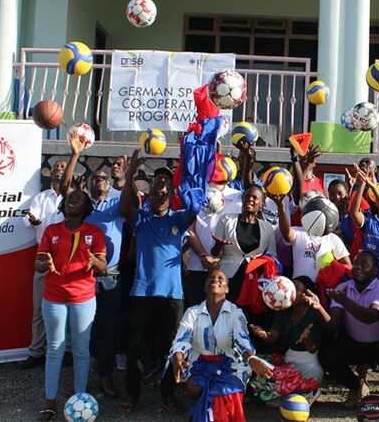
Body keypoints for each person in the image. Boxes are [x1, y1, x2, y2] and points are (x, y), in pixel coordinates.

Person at [118, 150, 198, 416]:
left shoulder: (178, 218)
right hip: (142, 293)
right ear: (148, 196)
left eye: (164, 194)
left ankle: (167, 394)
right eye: (154, 193)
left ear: (171, 196)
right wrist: (131, 173)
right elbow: (123, 208)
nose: (159, 196)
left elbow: (194, 211)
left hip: (172, 295)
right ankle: (132, 395)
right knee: (135, 348)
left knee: (170, 348)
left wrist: (187, 171)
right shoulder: (141, 218)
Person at [59, 131, 127, 398]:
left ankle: (105, 376)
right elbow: (66, 189)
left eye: (104, 178)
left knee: (108, 329)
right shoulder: (84, 205)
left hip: (110, 277)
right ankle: (80, 378)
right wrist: (75, 154)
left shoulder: (117, 203)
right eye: (95, 178)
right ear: (88, 184)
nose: (100, 180)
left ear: (109, 183)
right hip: (82, 276)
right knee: (81, 329)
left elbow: (130, 194)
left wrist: (125, 176)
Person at [34, 189, 107, 421]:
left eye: (80, 198)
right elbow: (38, 263)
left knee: (81, 350)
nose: (73, 199)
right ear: (63, 205)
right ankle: (50, 400)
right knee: (55, 348)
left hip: (83, 298)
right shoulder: (51, 230)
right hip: (53, 297)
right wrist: (44, 264)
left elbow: (102, 264)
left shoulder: (94, 232)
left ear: (86, 208)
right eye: (70, 197)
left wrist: (95, 260)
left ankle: (80, 398)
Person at [170, 270, 273, 422]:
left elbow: (242, 340)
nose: (215, 279)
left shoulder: (236, 313)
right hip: (200, 362)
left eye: (221, 278)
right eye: (210, 277)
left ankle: (210, 413)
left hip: (231, 365)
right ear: (205, 287)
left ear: (227, 289)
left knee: (226, 392)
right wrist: (178, 358)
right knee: (194, 387)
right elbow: (182, 339)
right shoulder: (193, 312)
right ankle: (206, 410)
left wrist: (251, 359)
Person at [313, 251, 379, 409]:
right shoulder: (343, 288)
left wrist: (345, 301)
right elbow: (333, 325)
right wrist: (319, 307)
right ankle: (357, 387)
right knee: (327, 355)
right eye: (355, 264)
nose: (357, 268)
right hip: (356, 343)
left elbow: (371, 317)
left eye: (364, 265)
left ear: (375, 271)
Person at [20, 159, 67, 370]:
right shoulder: (40, 198)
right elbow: (29, 221)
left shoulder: (72, 198)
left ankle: (65, 353)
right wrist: (32, 220)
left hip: (67, 257)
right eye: (56, 166)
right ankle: (36, 351)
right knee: (39, 306)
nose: (59, 169)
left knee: (67, 306)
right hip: (43, 255)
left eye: (63, 167)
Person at [249, 276, 324, 405]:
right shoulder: (285, 310)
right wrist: (263, 334)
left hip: (308, 368)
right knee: (253, 363)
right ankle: (291, 393)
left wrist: (306, 338)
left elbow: (312, 349)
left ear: (306, 294)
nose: (290, 291)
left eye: (296, 289)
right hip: (289, 361)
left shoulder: (313, 313)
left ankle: (308, 390)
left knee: (266, 384)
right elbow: (273, 337)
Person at [184, 161, 243, 307]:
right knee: (196, 312)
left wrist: (220, 260)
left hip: (226, 268)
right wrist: (204, 256)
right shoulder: (197, 193)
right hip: (198, 266)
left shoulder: (237, 196)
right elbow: (189, 228)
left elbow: (237, 231)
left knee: (225, 313)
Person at [204, 184, 276, 302]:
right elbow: (214, 254)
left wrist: (258, 262)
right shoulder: (226, 219)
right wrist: (219, 245)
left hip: (254, 280)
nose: (250, 200)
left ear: (262, 204)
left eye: (254, 197)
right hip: (229, 277)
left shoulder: (267, 228)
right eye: (247, 196)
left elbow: (272, 256)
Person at [272, 193, 350, 281]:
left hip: (321, 289)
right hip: (299, 287)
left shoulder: (332, 238)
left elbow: (347, 267)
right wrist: (281, 207)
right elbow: (287, 235)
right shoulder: (299, 232)